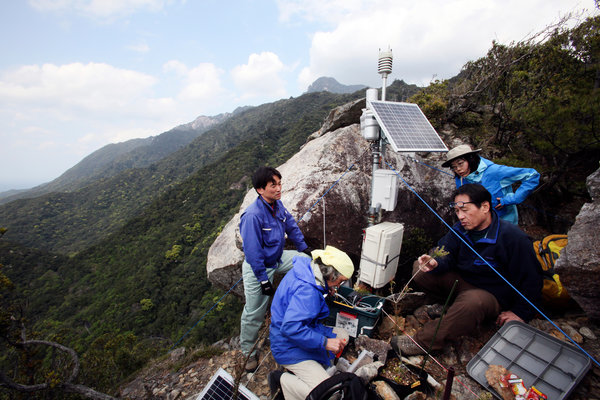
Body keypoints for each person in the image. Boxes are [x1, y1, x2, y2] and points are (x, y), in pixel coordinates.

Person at [392, 183, 543, 356]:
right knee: (420, 269)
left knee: (472, 303)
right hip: (464, 284)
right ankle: (455, 309)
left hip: (492, 296)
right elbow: (445, 252)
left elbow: (532, 278)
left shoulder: (512, 237)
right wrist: (435, 263)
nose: (461, 216)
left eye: (465, 210)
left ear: (485, 207)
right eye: (457, 211)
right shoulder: (460, 230)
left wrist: (521, 312)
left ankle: (423, 342)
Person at [239, 166, 311, 372]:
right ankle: (248, 353)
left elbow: (291, 226)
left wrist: (304, 249)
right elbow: (252, 252)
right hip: (258, 268)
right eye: (274, 185)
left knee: (305, 262)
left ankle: (301, 316)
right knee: (254, 312)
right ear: (260, 190)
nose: (279, 188)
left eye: (279, 183)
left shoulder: (277, 205)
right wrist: (263, 280)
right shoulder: (252, 216)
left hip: (278, 258)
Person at [268, 246, 354, 400]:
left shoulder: (308, 270)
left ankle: (317, 368)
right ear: (332, 274)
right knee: (330, 393)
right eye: (340, 281)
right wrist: (325, 342)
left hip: (302, 331)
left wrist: (327, 289)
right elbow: (290, 328)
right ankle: (282, 380)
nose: (339, 286)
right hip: (287, 346)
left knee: (343, 336)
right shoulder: (308, 291)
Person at [442, 144, 540, 225]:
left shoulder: (494, 172)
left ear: (471, 159)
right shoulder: (461, 178)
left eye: (460, 163)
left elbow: (532, 175)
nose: (458, 169)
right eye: (454, 167)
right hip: (479, 225)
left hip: (503, 224)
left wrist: (512, 199)